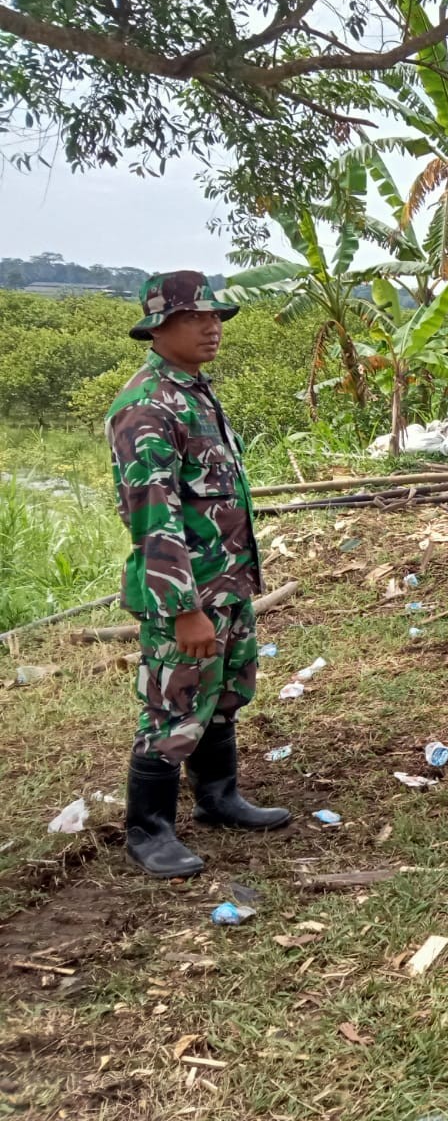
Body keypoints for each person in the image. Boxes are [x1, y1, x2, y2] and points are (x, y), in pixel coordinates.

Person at [108, 271, 290, 880]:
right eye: (197, 318)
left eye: (216, 317)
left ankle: (218, 797)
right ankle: (148, 829)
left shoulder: (195, 390)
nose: (212, 327)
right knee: (173, 706)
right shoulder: (147, 405)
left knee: (223, 697)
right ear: (160, 328)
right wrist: (183, 607)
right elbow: (152, 518)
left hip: (227, 582)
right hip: (184, 592)